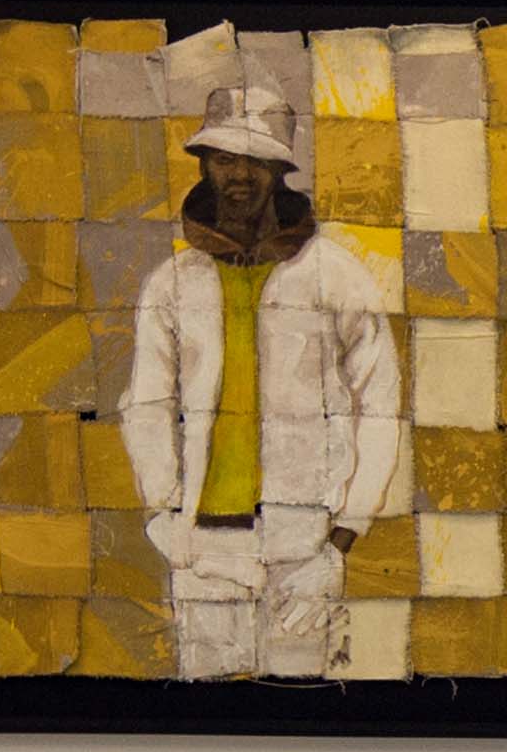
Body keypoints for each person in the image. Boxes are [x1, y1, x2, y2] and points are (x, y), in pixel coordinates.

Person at [118, 85, 406, 679]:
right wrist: (162, 519)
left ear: (279, 170)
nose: (240, 175)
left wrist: (341, 541)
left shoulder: (337, 277)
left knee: (301, 710)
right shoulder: (171, 284)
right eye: (226, 158)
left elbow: (380, 406)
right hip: (201, 547)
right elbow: (147, 405)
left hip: (307, 546)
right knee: (209, 710)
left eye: (257, 159)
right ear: (205, 164)